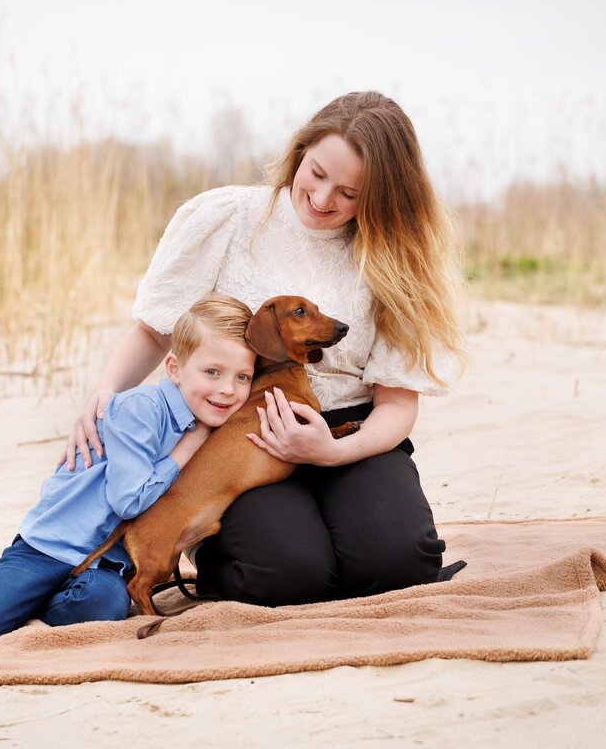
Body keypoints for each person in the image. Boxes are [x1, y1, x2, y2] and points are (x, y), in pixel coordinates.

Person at [60, 91, 466, 607]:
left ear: (382, 197)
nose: (322, 199)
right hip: (241, 438)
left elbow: (397, 403)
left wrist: (333, 450)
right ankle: (221, 555)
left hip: (350, 435)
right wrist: (104, 396)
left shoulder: (394, 257)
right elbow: (155, 330)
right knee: (288, 577)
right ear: (300, 152)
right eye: (316, 173)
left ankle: (346, 539)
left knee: (399, 565)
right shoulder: (227, 218)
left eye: (349, 192)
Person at [0, 294, 256, 642]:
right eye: (212, 372)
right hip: (50, 546)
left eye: (243, 378)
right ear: (174, 369)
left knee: (102, 608)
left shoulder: (203, 423)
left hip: (107, 561)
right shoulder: (140, 410)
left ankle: (23, 599)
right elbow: (128, 500)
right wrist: (187, 448)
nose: (227, 389)